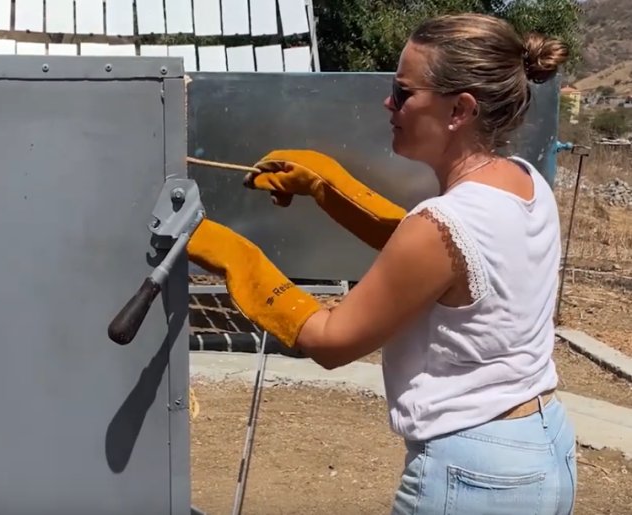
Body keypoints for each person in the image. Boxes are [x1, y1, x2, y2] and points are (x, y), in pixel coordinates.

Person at [186, 12, 577, 515]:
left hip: (474, 477)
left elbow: (330, 340)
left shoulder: (443, 224)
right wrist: (327, 187)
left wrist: (229, 253)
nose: (387, 103)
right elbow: (433, 262)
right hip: (543, 446)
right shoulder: (524, 182)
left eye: (403, 92)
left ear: (460, 109)